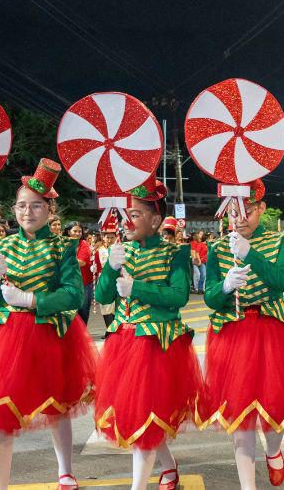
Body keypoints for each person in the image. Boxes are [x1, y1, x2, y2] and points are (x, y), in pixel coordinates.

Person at [0, 159, 97, 490]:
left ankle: (65, 472)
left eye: (35, 206)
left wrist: (32, 300)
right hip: (6, 341)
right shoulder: (1, 246)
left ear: (50, 209)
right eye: (21, 206)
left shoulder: (62, 246)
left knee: (58, 407)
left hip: (50, 336)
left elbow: (74, 295)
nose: (27, 213)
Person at [196, 181, 284, 489]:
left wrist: (250, 253)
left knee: (274, 405)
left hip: (272, 331)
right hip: (233, 334)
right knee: (240, 417)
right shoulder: (218, 247)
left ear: (261, 209)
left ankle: (274, 451)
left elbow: (280, 282)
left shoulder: (280, 241)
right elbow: (210, 297)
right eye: (233, 212)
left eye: (247, 211)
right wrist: (224, 287)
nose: (239, 219)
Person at [93, 177, 200, 490]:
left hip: (157, 345)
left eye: (135, 214)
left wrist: (137, 287)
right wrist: (111, 269)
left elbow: (179, 296)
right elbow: (102, 297)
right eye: (125, 214)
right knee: (142, 416)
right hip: (123, 342)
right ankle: (169, 466)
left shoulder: (175, 254)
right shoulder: (120, 250)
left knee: (145, 416)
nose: (127, 221)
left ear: (156, 220)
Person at [64, 221, 93, 324]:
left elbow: (82, 262)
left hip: (83, 283)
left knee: (83, 312)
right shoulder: (63, 243)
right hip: (67, 284)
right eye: (75, 231)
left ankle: (83, 337)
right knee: (68, 313)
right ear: (68, 232)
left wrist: (63, 260)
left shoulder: (84, 244)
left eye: (79, 231)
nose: (77, 233)